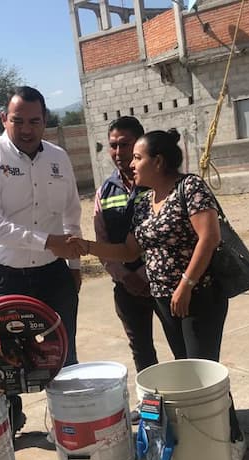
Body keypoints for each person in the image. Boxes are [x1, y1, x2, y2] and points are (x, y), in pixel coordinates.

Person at [71, 129, 245, 460]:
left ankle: (231, 440)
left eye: (137, 157)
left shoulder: (189, 188)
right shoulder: (144, 202)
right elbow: (127, 249)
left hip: (198, 297)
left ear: (159, 161)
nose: (130, 163)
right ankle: (208, 439)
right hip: (166, 301)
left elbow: (208, 237)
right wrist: (87, 247)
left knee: (203, 375)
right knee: (188, 371)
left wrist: (186, 285)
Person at [0, 86, 82, 436]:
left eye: (34, 121)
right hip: (2, 278)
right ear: (4, 119)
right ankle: (8, 428)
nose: (26, 129)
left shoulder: (58, 158)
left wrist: (73, 267)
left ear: (45, 121)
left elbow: (71, 212)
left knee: (62, 354)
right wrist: (48, 241)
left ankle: (69, 424)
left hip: (52, 275)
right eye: (17, 120)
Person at [94, 117, 160, 420]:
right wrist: (125, 276)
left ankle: (185, 405)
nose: (119, 151)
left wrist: (147, 274)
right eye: (113, 145)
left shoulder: (161, 183)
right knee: (142, 350)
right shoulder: (105, 191)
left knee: (182, 346)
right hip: (127, 287)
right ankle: (151, 410)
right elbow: (102, 241)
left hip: (164, 283)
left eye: (126, 144)